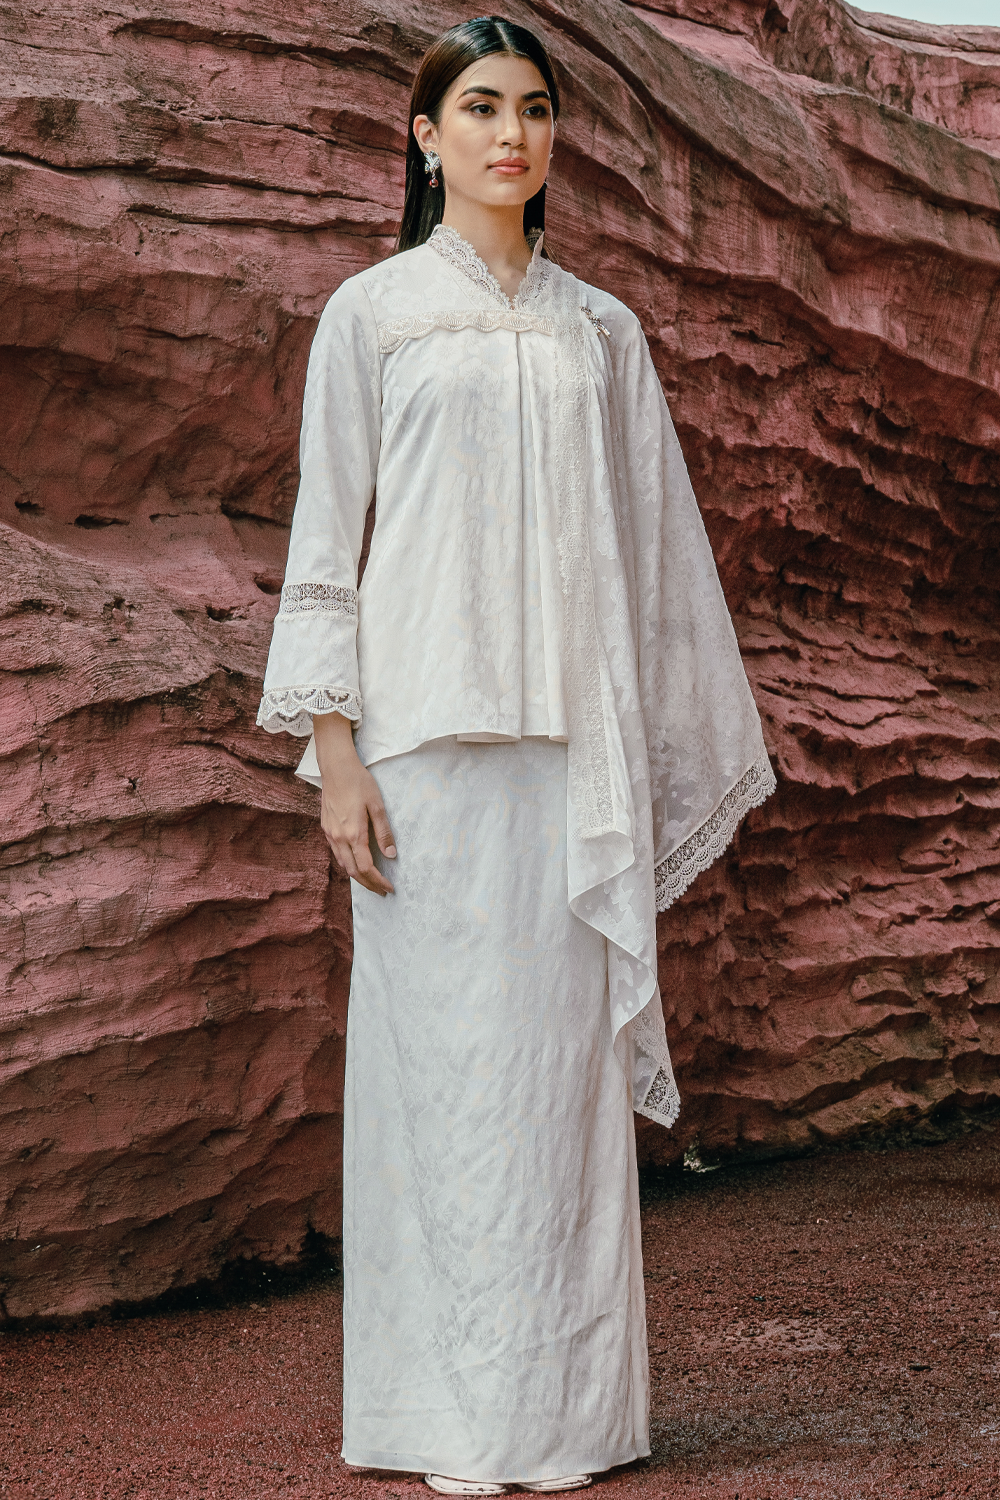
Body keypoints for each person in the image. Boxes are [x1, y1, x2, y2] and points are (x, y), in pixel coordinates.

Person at [257, 14, 774, 1495]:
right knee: (444, 1085)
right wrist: (335, 753)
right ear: (426, 137)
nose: (512, 134)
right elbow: (327, 538)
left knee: (552, 1092)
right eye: (480, 107)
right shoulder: (370, 314)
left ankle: (567, 1419)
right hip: (420, 756)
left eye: (535, 109)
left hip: (570, 767)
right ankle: (446, 1420)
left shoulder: (601, 331)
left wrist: (642, 743)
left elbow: (654, 559)